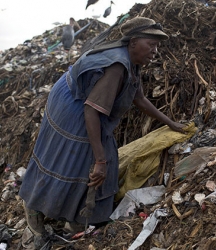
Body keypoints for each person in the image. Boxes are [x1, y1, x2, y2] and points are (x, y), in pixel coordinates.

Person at [19, 16, 186, 247]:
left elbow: (140, 98)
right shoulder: (116, 66)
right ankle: (35, 216)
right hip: (73, 108)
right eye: (152, 44)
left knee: (96, 160)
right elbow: (91, 112)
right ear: (134, 42)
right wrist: (99, 160)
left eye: (157, 46)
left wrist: (171, 124)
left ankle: (75, 219)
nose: (155, 51)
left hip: (84, 104)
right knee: (69, 160)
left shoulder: (131, 62)